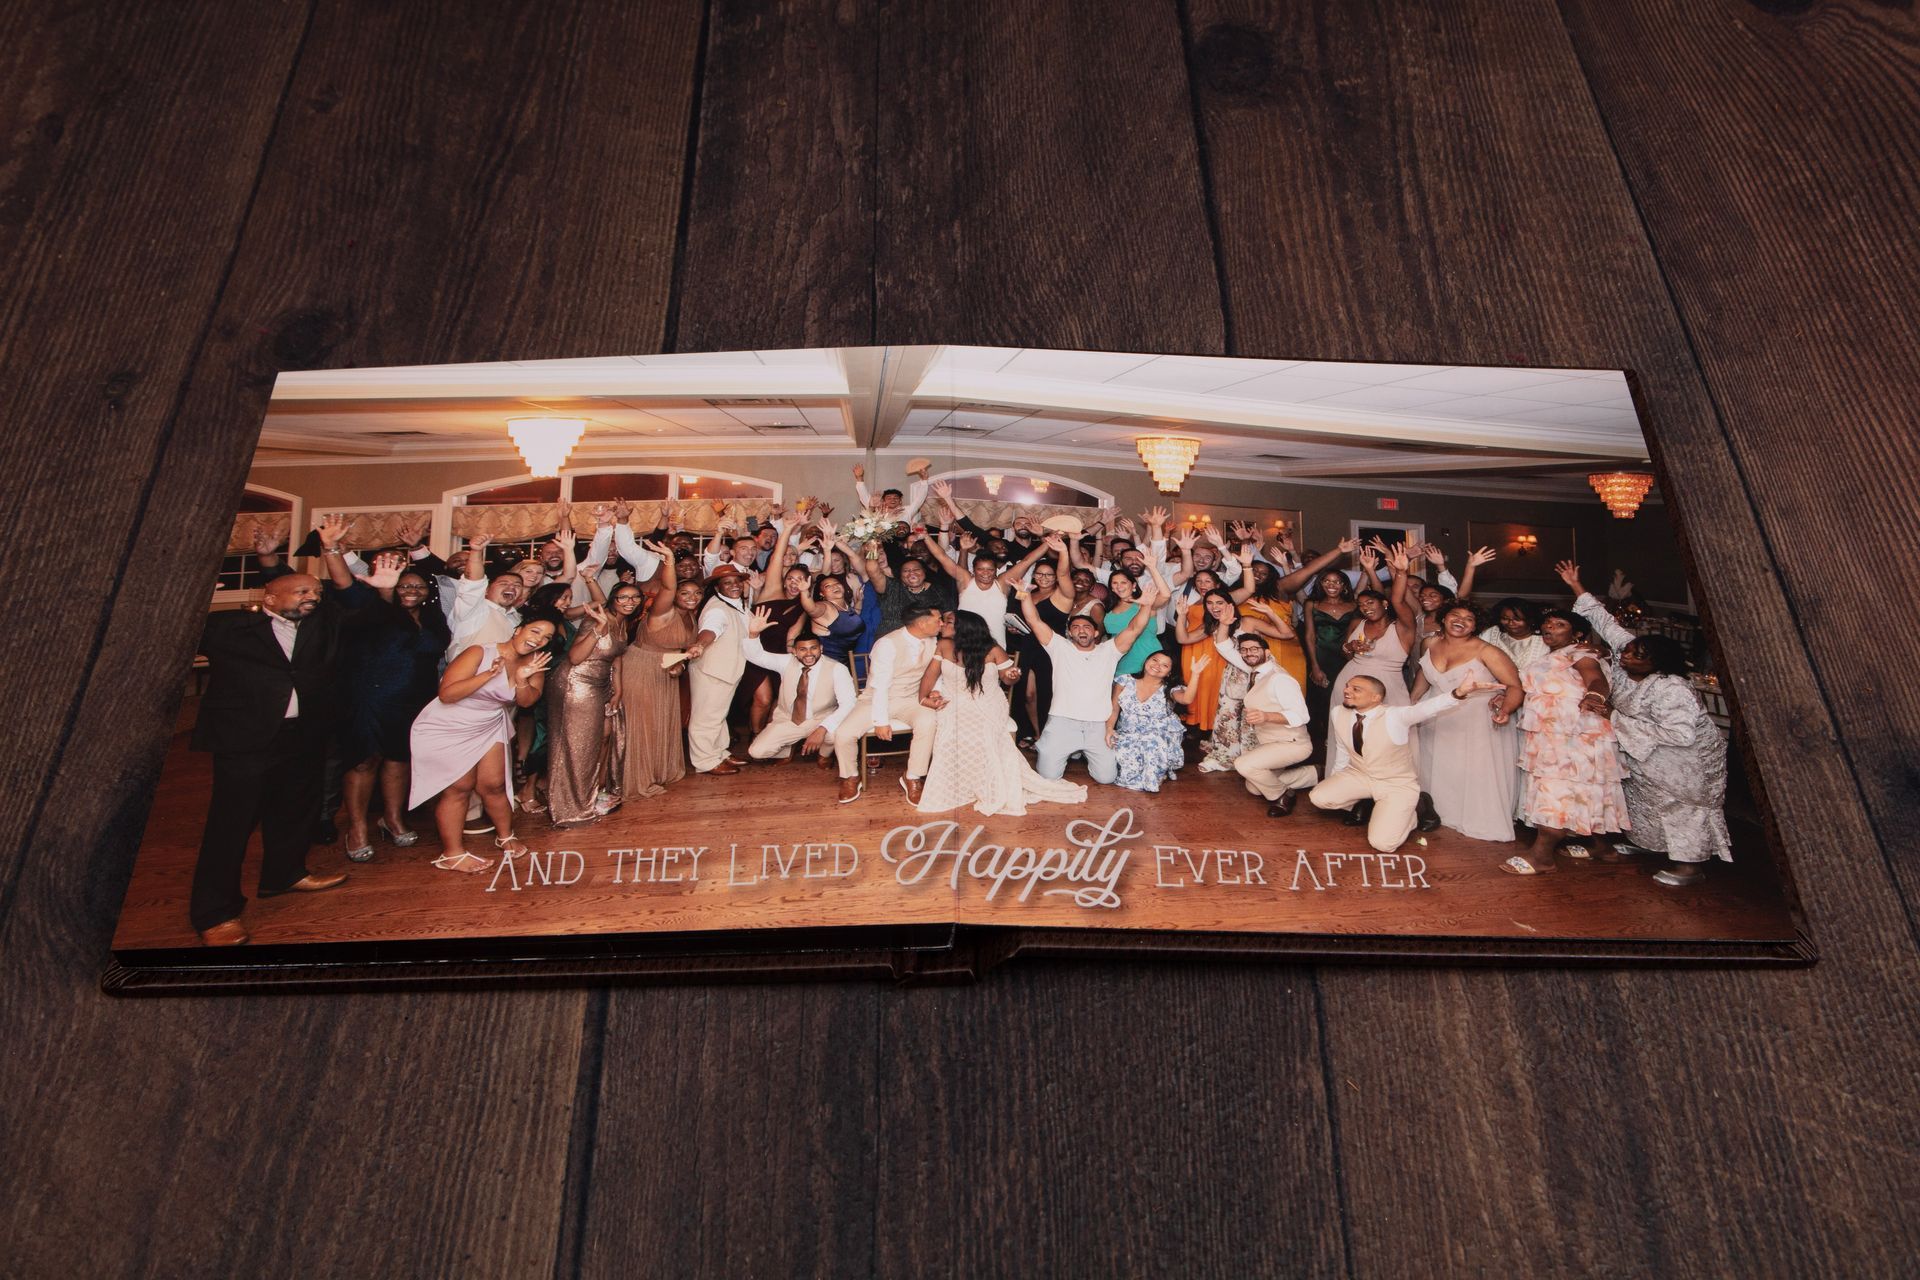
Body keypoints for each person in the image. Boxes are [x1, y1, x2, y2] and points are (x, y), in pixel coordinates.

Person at [186, 517, 372, 946]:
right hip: (245, 741)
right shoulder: (228, 628)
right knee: (230, 827)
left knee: (295, 812)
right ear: (270, 595)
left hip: (304, 737)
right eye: (302, 590)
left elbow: (349, 598)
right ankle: (216, 914)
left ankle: (284, 875)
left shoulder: (323, 627)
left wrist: (331, 552)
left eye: (316, 592)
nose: (312, 596)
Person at [1557, 561, 1733, 884]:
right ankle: (1647, 844)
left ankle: (1689, 866)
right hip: (1645, 751)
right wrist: (1575, 585)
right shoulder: (1626, 664)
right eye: (1628, 651)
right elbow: (1603, 621)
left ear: (1657, 663)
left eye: (1637, 655)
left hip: (1686, 760)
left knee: (1680, 806)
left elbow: (1679, 735)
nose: (1626, 656)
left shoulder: (1672, 688)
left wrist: (1615, 717)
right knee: (1644, 798)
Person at [408, 619, 555, 874]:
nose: (539, 639)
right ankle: (451, 854)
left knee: (494, 785)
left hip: (488, 724)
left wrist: (521, 679)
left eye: (546, 638)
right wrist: (489, 675)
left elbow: (528, 701)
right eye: (535, 631)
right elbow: (447, 694)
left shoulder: (535, 664)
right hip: (450, 724)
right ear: (518, 629)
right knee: (460, 788)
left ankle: (506, 836)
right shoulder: (479, 652)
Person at [334, 554, 449, 862]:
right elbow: (344, 584)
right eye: (404, 585)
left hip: (415, 698)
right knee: (364, 760)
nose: (411, 589)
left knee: (399, 759)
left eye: (419, 586)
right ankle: (357, 827)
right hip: (370, 696)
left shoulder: (435, 619)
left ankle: (392, 817)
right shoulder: (373, 610)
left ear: (428, 592)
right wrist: (333, 550)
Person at [912, 610, 1082, 815]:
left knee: (982, 733)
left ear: (964, 628)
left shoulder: (993, 650)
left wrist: (1012, 675)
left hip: (988, 701)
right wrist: (924, 698)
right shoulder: (944, 645)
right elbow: (929, 676)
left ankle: (987, 782)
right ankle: (962, 784)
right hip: (955, 700)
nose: (942, 625)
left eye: (948, 622)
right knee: (950, 733)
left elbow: (1009, 679)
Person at [1309, 674, 1499, 854]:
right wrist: (1336, 781)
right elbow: (1343, 749)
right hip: (1359, 775)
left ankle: (1414, 810)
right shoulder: (1338, 712)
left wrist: (1458, 692)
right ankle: (1371, 801)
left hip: (1396, 784)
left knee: (1383, 843)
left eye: (1356, 689)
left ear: (1376, 697)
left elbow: (1425, 709)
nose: (1347, 691)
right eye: (1347, 686)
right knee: (1320, 797)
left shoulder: (1395, 716)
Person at [1503, 607, 1631, 874]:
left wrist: (1595, 696)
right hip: (1548, 736)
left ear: (1578, 633)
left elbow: (1595, 678)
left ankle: (1542, 856)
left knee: (1558, 791)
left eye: (1559, 624)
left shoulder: (1582, 654)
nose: (1549, 628)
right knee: (1581, 790)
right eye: (1547, 623)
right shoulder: (1546, 658)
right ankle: (1603, 848)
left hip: (1577, 735)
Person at [1017, 543, 1156, 784]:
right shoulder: (1059, 648)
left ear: (1096, 633)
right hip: (1062, 723)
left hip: (1096, 726)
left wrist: (1146, 605)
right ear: (1069, 634)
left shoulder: (1109, 651)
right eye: (1076, 628)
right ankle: (1054, 746)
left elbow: (1134, 628)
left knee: (1106, 778)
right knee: (1048, 777)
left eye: (1087, 628)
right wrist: (1024, 596)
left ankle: (1086, 753)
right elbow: (1034, 620)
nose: (1081, 631)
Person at [1412, 601, 1526, 842]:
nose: (1460, 621)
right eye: (1455, 615)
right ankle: (1442, 814)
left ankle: (1476, 819)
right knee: (1440, 766)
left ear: (1476, 626)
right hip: (1437, 715)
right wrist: (1410, 709)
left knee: (1473, 770)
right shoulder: (1429, 644)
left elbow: (1515, 686)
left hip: (1476, 717)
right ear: (1443, 618)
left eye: (1469, 619)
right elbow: (1423, 681)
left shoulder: (1487, 651)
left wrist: (1505, 709)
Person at [830, 604, 944, 803]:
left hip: (911, 699)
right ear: (922, 622)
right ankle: (850, 776)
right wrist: (881, 721)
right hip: (876, 699)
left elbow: (936, 672)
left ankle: (913, 777)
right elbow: (880, 686)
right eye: (938, 620)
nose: (942, 623)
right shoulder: (887, 644)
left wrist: (936, 690)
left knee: (929, 722)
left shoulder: (933, 640)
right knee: (844, 733)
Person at [617, 544, 701, 799]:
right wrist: (668, 562)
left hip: (666, 671)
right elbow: (668, 587)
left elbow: (680, 648)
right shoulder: (662, 611)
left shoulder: (692, 615)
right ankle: (637, 780)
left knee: (660, 722)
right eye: (685, 592)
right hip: (641, 668)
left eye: (697, 593)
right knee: (641, 725)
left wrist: (680, 664)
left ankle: (658, 771)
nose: (691, 597)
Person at [544, 600, 628, 826]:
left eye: (635, 598)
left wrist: (618, 689)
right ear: (613, 599)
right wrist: (598, 628)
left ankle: (591, 793)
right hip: (576, 684)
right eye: (624, 597)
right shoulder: (595, 621)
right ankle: (568, 806)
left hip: (600, 685)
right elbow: (576, 658)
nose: (630, 602)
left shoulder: (622, 623)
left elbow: (616, 658)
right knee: (575, 744)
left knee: (602, 737)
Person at [1217, 631, 1317, 817]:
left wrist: (1266, 716)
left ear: (1268, 652)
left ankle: (1283, 795)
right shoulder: (1256, 673)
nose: (1249, 653)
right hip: (1271, 743)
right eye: (1244, 650)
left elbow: (1301, 716)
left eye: (1254, 648)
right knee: (1254, 788)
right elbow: (1223, 647)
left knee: (1244, 765)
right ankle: (1313, 774)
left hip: (1293, 743)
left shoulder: (1280, 678)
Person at [739, 609, 858, 762]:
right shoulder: (786, 661)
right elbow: (756, 656)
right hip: (789, 720)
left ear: (821, 649)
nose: (809, 654)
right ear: (795, 652)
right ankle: (788, 747)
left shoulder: (837, 668)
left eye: (813, 648)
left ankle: (824, 754)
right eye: (803, 649)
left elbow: (849, 704)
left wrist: (822, 729)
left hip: (821, 719)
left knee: (837, 734)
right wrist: (754, 634)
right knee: (757, 752)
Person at [683, 563, 754, 775]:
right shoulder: (717, 609)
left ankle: (719, 752)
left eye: (737, 582)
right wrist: (700, 644)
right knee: (706, 718)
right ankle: (705, 761)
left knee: (718, 715)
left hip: (727, 669)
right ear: (717, 587)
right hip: (712, 671)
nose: (734, 586)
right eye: (727, 583)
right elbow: (710, 630)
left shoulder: (736, 603)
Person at [1105, 649, 1200, 793]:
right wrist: (1109, 729)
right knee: (1126, 769)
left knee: (1151, 749)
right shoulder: (1125, 680)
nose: (1157, 665)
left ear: (1169, 672)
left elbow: (1186, 699)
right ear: (1146, 662)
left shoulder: (1170, 689)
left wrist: (1196, 674)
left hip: (1158, 734)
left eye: (1165, 665)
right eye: (1155, 660)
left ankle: (1157, 772)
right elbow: (1114, 709)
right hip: (1128, 732)